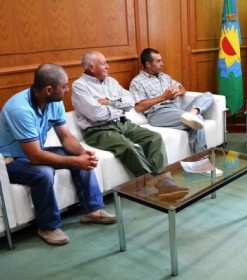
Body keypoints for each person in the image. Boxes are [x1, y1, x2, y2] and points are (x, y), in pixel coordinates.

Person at [0, 63, 116, 246]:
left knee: (79, 157)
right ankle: (48, 227)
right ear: (49, 89)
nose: (68, 90)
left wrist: (83, 155)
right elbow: (36, 157)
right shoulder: (20, 109)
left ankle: (92, 211)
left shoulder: (54, 102)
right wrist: (77, 161)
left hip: (33, 151)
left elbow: (66, 137)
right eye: (64, 86)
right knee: (43, 173)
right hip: (9, 160)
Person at [72, 51, 168, 177]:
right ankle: (155, 184)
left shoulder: (111, 81)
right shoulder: (79, 86)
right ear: (91, 67)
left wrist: (109, 102)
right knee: (130, 147)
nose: (108, 66)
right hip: (98, 130)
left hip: (123, 123)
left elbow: (130, 101)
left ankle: (164, 181)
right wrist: (120, 107)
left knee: (155, 138)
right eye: (103, 64)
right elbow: (96, 114)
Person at [129, 48, 214, 154]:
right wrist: (164, 97)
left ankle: (192, 113)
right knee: (197, 120)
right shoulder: (137, 82)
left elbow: (182, 88)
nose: (162, 64)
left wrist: (178, 91)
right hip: (157, 112)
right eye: (158, 61)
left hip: (176, 107)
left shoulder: (164, 77)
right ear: (148, 64)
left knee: (208, 96)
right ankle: (201, 158)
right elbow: (139, 107)